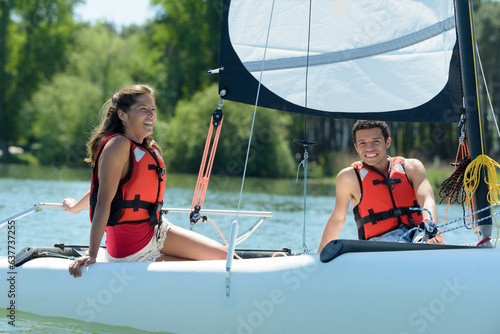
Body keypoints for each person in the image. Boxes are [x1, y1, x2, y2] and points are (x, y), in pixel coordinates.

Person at [64, 85, 227, 278]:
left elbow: (112, 187)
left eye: (153, 110)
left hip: (156, 230)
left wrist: (75, 207)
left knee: (223, 257)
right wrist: (92, 254)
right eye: (143, 109)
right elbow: (103, 199)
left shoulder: (145, 146)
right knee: (209, 272)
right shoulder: (118, 144)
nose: (151, 115)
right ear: (123, 115)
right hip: (132, 249)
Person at [317, 120, 443, 252]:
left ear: (387, 142)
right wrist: (319, 255)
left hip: (420, 232)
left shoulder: (412, 167)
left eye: (375, 141)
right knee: (399, 246)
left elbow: (427, 199)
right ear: (356, 147)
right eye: (362, 143)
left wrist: (430, 223)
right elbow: (338, 219)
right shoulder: (348, 177)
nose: (369, 148)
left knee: (426, 243)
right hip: (381, 242)